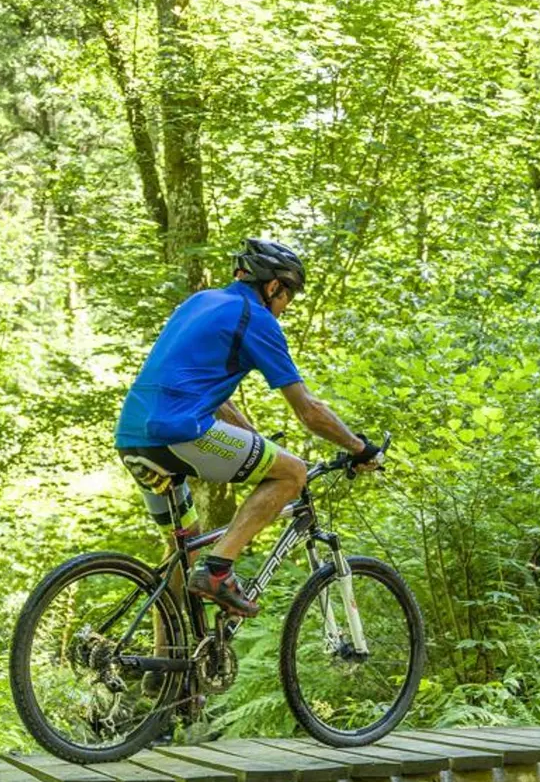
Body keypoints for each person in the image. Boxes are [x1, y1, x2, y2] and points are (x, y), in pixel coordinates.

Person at [115, 239, 381, 618]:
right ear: (273, 287)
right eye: (287, 296)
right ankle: (219, 570)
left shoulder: (199, 303)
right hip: (179, 433)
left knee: (184, 550)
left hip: (132, 437)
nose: (285, 308)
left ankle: (164, 670)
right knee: (293, 472)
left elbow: (213, 396)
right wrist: (360, 448)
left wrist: (252, 440)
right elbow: (308, 410)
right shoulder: (256, 318)